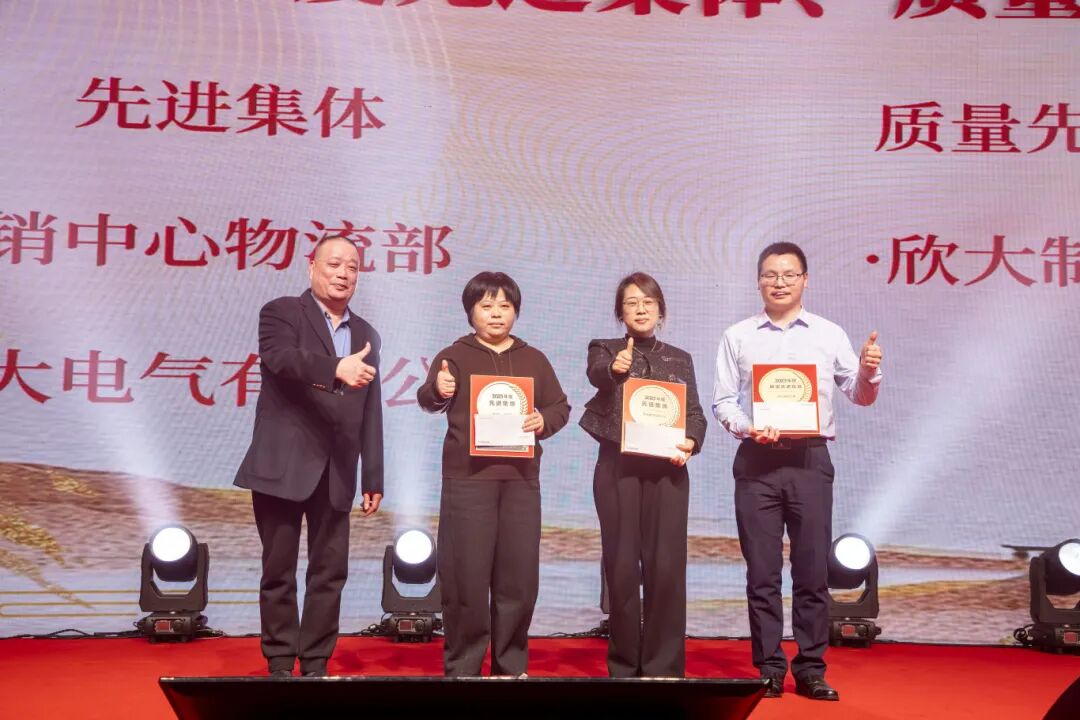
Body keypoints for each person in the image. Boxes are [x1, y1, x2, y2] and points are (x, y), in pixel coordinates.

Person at [712, 242, 882, 701]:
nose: (780, 282)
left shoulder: (828, 334)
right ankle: (769, 667)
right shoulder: (738, 336)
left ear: (805, 280)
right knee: (762, 573)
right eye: (771, 274)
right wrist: (749, 427)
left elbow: (860, 395)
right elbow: (723, 401)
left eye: (789, 274)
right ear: (758, 282)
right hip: (758, 460)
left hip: (810, 460)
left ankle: (810, 669)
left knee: (811, 571)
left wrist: (869, 372)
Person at [233, 234, 384, 677]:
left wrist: (373, 475)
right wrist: (335, 368)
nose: (343, 273)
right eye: (334, 263)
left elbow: (371, 408)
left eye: (352, 267)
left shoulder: (366, 333)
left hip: (338, 468)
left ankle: (316, 661)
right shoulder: (282, 312)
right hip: (283, 464)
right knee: (278, 570)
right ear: (311, 266)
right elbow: (281, 359)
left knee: (330, 572)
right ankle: (281, 659)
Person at [417, 271, 570, 677]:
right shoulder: (454, 355)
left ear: (516, 311)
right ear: (471, 311)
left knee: (518, 580)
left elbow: (560, 407)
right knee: (465, 578)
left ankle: (511, 668)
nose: (496, 313)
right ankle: (463, 669)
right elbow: (427, 398)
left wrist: (543, 420)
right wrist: (439, 389)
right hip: (468, 481)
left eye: (505, 305)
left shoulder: (534, 358)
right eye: (486, 306)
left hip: (521, 482)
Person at [580, 272, 707, 678]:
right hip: (618, 470)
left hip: (668, 472)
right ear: (620, 312)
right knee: (621, 568)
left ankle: (663, 667)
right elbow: (597, 373)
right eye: (631, 302)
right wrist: (615, 368)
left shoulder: (680, 358)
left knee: (666, 568)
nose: (640, 309)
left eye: (648, 302)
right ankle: (623, 666)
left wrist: (691, 441)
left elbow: (694, 414)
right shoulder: (605, 349)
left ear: (660, 310)